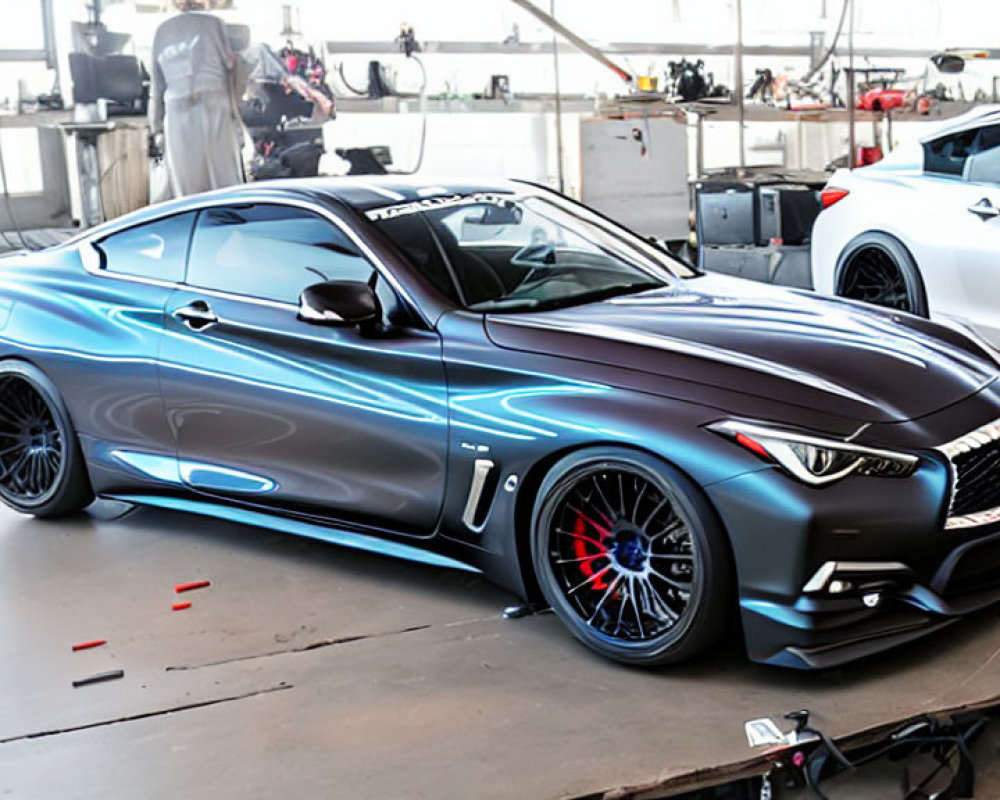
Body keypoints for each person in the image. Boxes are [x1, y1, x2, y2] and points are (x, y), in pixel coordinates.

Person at [149, 0, 244, 197]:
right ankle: (229, 221)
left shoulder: (161, 30)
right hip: (214, 102)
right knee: (223, 178)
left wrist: (155, 127)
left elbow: (156, 86)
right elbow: (232, 66)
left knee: (187, 184)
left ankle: (194, 223)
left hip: (178, 108)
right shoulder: (216, 24)